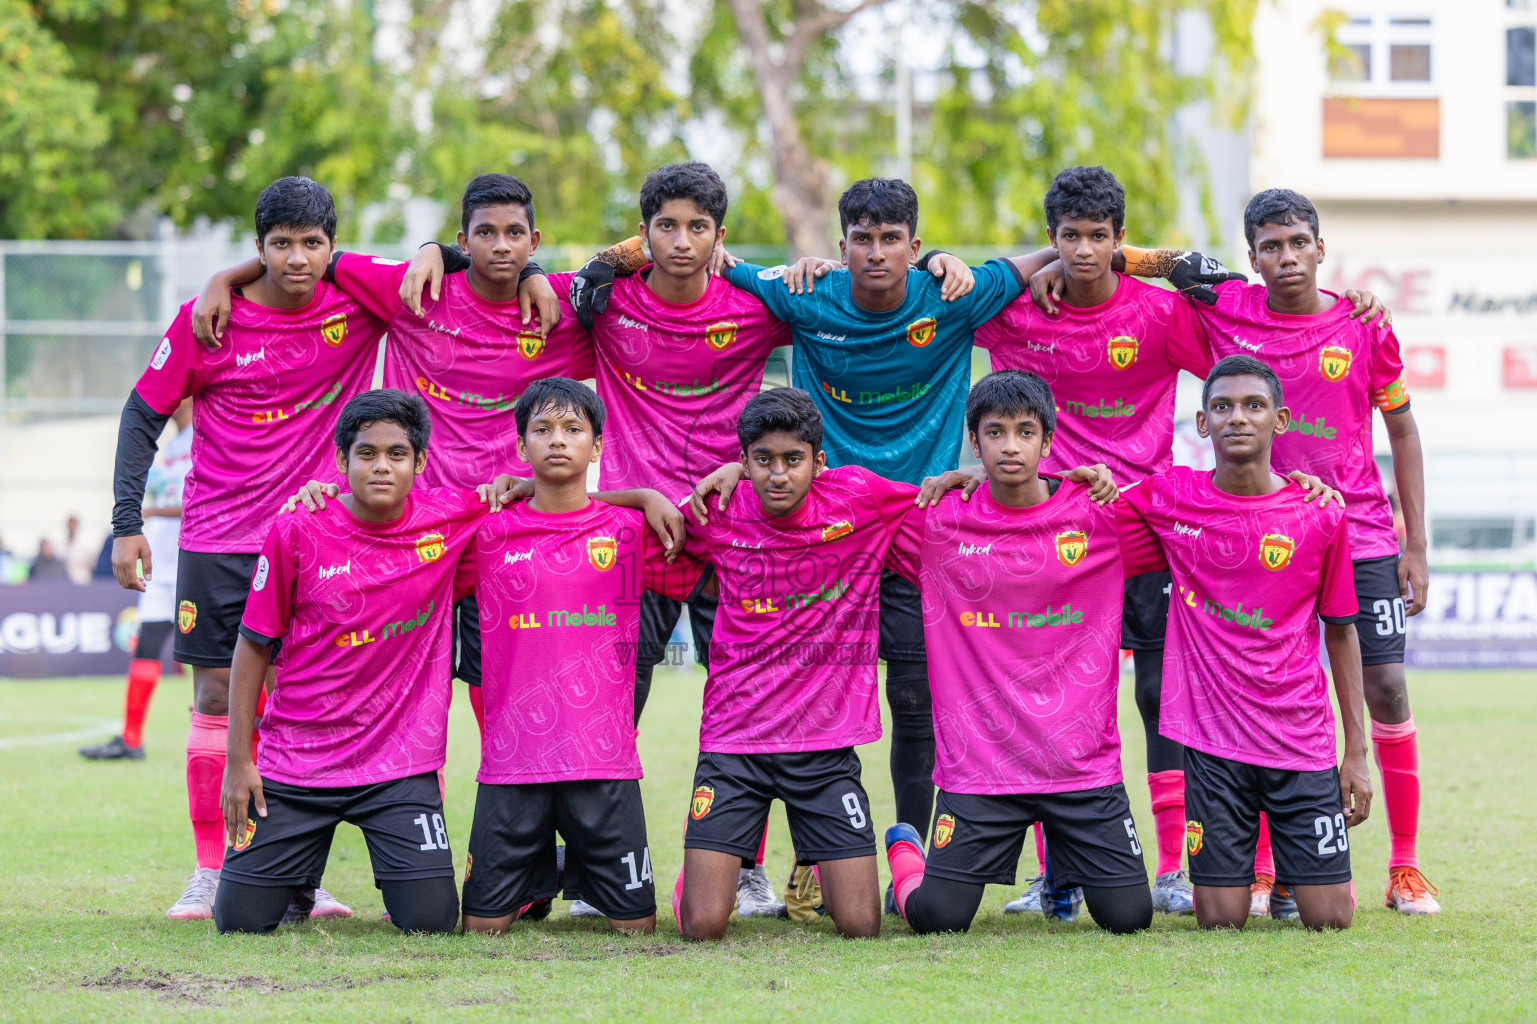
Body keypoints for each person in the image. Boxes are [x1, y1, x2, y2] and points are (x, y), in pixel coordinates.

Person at [405, 162, 794, 919]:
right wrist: (443, 251)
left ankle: (746, 867)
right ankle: (589, 870)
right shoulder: (605, 304)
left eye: (699, 229)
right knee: (609, 706)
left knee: (747, 707)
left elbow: (829, 298)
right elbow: (522, 259)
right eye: (665, 228)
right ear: (642, 235)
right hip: (633, 543)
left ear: (719, 239)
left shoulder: (754, 303)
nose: (681, 242)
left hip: (732, 536)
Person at [698, 178, 1066, 913]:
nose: (875, 253)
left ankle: (916, 857)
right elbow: (709, 257)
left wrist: (973, 261)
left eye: (890, 239)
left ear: (914, 246)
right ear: (840, 247)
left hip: (916, 532)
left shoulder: (954, 294)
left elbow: (1056, 255)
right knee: (789, 694)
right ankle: (770, 865)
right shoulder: (804, 295)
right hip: (819, 535)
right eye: (860, 239)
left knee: (913, 698)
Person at [1075, 188, 1435, 916]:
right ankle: (1265, 865)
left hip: (1355, 528)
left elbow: (1401, 432)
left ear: (1320, 247)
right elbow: (1157, 262)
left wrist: (1416, 546)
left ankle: (1404, 866)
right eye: (1270, 246)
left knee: (1387, 686)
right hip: (1250, 530)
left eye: (1298, 242)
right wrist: (1073, 264)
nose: (1286, 257)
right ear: (1252, 258)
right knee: (1259, 683)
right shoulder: (1229, 303)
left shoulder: (1362, 324)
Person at [189, 173, 567, 755]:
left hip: (501, 519)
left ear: (533, 241)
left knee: (508, 688)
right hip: (414, 528)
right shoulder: (412, 289)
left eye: (514, 234)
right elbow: (313, 254)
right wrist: (225, 277)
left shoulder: (555, 308)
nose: (500, 245)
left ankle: (506, 837)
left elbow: (634, 270)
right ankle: (380, 805)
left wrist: (536, 275)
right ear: (462, 242)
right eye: (484, 233)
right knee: (416, 683)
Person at [110, 176, 388, 922]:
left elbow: (457, 277)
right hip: (215, 539)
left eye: (311, 243)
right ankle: (209, 871)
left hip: (316, 542)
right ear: (257, 246)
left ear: (333, 247)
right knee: (211, 698)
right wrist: (125, 522)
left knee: (304, 709)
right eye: (279, 244)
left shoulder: (360, 306)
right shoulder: (210, 320)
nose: (296, 259)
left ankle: (301, 876)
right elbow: (141, 417)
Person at [883, 370, 1155, 935]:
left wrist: (1295, 481)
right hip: (981, 770)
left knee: (1129, 919)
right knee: (938, 919)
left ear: (1048, 442)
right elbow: (840, 499)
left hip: (1081, 767)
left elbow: (1211, 501)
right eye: (995, 432)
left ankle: (1061, 872)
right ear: (974, 441)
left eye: (1026, 432)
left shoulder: (1101, 515)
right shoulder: (936, 521)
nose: (1011, 445)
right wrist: (739, 467)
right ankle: (905, 850)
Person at [1114, 355, 1370, 931]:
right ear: (1202, 424)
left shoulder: (1320, 513)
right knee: (1219, 921)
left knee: (1330, 921)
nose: (1238, 418)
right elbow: (1070, 515)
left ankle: (1287, 871)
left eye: (1253, 406)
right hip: (1212, 747)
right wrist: (980, 477)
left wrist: (1356, 753)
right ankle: (1261, 870)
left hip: (1299, 740)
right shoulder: (1169, 499)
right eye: (1222, 407)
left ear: (1280, 420)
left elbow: (1342, 628)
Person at [215, 389, 484, 934]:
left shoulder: (452, 518)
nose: (381, 466)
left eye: (396, 454)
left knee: (432, 923)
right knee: (240, 923)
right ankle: (297, 876)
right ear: (341, 461)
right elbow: (252, 644)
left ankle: (510, 870)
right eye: (366, 454)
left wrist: (642, 495)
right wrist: (239, 761)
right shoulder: (296, 529)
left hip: (399, 767)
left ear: (420, 463)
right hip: (297, 762)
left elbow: (547, 492)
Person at [460, 378, 699, 935]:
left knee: (636, 928)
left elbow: (716, 529)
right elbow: (398, 526)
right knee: (481, 930)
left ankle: (571, 864)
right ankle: (546, 868)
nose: (558, 441)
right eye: (542, 430)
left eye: (573, 429)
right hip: (512, 765)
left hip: (605, 763)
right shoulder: (485, 531)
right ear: (521, 448)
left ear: (597, 447)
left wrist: (647, 495)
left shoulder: (632, 529)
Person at [82, 397, 194, 761]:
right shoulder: (173, 445)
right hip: (160, 566)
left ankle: (250, 739)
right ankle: (131, 739)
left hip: (194, 561)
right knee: (146, 646)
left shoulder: (203, 436)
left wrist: (147, 511)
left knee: (219, 656)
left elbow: (202, 501)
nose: (172, 395)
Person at [64, 515, 96, 585]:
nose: (71, 528)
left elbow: (92, 564)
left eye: (73, 525)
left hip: (82, 581)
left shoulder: (86, 545)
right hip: (66, 583)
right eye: (70, 526)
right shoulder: (61, 545)